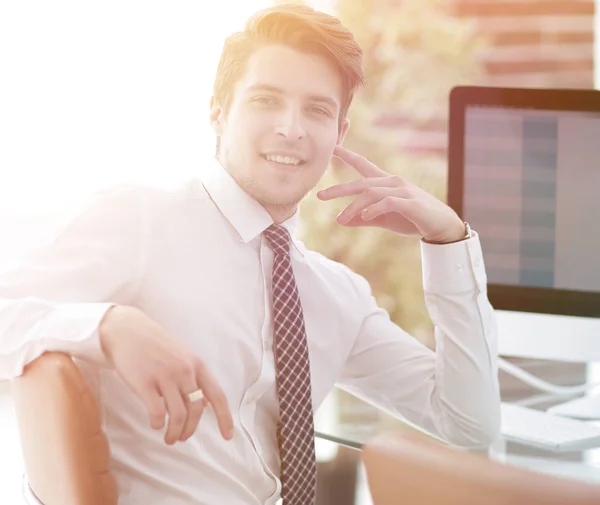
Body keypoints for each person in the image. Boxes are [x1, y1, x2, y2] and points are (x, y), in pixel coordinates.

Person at [0, 4, 501, 505]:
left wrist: (449, 239)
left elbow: (466, 421)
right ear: (218, 111)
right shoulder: (139, 219)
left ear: (339, 135)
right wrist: (106, 327)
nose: (292, 128)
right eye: (266, 100)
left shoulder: (336, 295)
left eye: (318, 110)